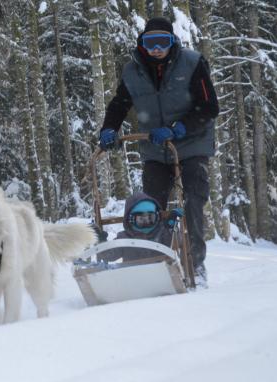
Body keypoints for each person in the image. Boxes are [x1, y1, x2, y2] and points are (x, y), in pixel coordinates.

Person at [98, 17, 218, 287]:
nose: (156, 49)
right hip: (155, 148)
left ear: (172, 41)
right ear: (142, 44)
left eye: (162, 42)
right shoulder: (132, 70)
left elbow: (209, 107)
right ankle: (152, 259)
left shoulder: (192, 63)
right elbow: (119, 103)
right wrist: (108, 129)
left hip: (191, 144)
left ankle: (196, 263)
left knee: (194, 203)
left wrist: (178, 128)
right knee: (151, 206)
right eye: (150, 42)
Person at [99, 192, 182, 263]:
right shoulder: (124, 238)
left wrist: (171, 229)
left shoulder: (162, 233)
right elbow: (109, 255)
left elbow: (176, 242)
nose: (146, 223)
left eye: (150, 218)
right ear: (131, 219)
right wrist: (101, 241)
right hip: (132, 279)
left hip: (162, 278)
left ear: (156, 217)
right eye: (141, 219)